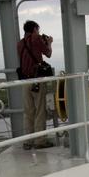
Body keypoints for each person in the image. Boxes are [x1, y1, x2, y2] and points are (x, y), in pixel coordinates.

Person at [17, 20, 54, 148]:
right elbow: (48, 54)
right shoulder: (36, 39)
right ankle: (40, 141)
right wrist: (48, 43)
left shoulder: (20, 44)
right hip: (37, 80)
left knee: (28, 112)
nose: (38, 32)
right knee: (39, 111)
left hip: (24, 81)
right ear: (34, 29)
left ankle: (28, 141)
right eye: (37, 30)